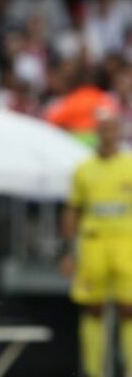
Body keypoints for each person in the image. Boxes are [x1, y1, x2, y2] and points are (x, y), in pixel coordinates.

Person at [60, 107, 132, 377]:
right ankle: (94, 371)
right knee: (94, 309)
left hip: (127, 244)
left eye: (112, 127)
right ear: (97, 131)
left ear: (120, 130)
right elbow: (72, 210)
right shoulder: (84, 170)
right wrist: (68, 251)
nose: (108, 133)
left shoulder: (130, 165)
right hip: (93, 244)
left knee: (129, 308)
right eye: (103, 128)